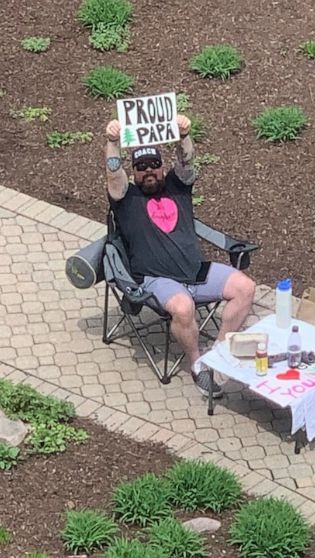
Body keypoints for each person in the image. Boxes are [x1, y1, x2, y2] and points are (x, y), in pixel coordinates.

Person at [103, 114, 256, 398]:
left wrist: (184, 135)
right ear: (134, 172)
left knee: (245, 288)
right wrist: (113, 142)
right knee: (183, 308)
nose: (149, 171)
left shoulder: (178, 186)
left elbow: (187, 161)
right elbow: (114, 173)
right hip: (156, 279)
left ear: (162, 167)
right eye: (141, 167)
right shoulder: (127, 198)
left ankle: (219, 354)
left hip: (196, 271)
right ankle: (198, 363)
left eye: (154, 165)